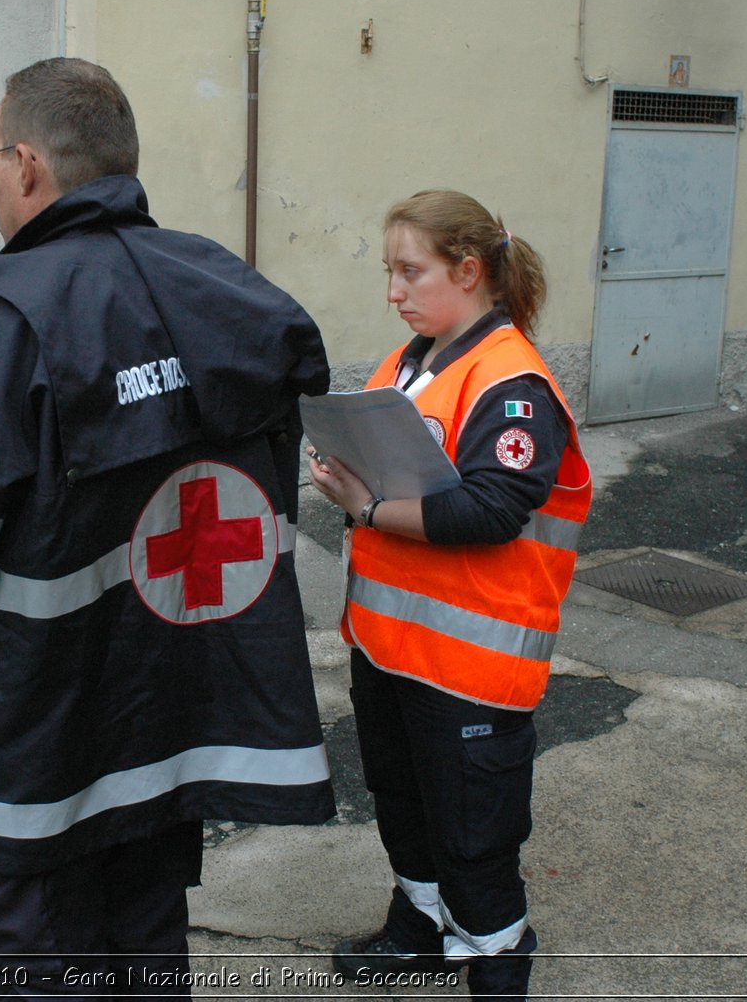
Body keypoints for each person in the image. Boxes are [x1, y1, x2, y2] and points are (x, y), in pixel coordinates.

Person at [0, 57, 336, 997]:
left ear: (28, 164)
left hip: (40, 745)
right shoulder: (231, 290)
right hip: (174, 733)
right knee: (149, 952)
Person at [308, 190, 592, 1001]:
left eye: (410, 272)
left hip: (473, 667)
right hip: (394, 651)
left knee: (475, 845)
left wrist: (363, 507)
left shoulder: (512, 383)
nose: (393, 292)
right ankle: (417, 931)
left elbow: (491, 509)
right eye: (390, 272)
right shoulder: (412, 359)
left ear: (469, 272)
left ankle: (495, 967)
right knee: (403, 804)